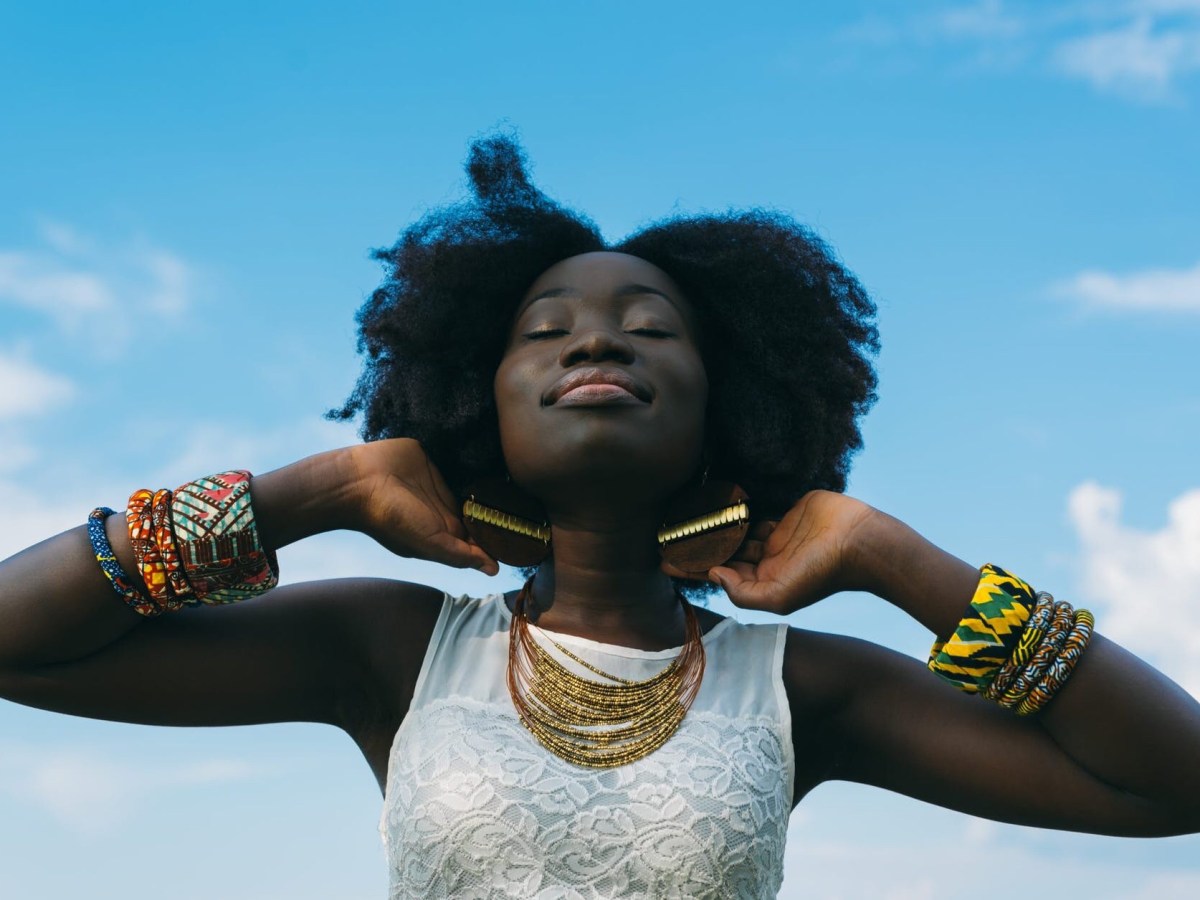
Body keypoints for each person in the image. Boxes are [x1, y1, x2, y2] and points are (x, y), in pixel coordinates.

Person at [1, 134, 1197, 899]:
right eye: (546, 330)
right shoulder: (394, 650)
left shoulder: (800, 689)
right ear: (478, 402)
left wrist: (896, 560)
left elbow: (1174, 786)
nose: (596, 340)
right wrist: (312, 493)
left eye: (650, 327)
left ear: (730, 407)